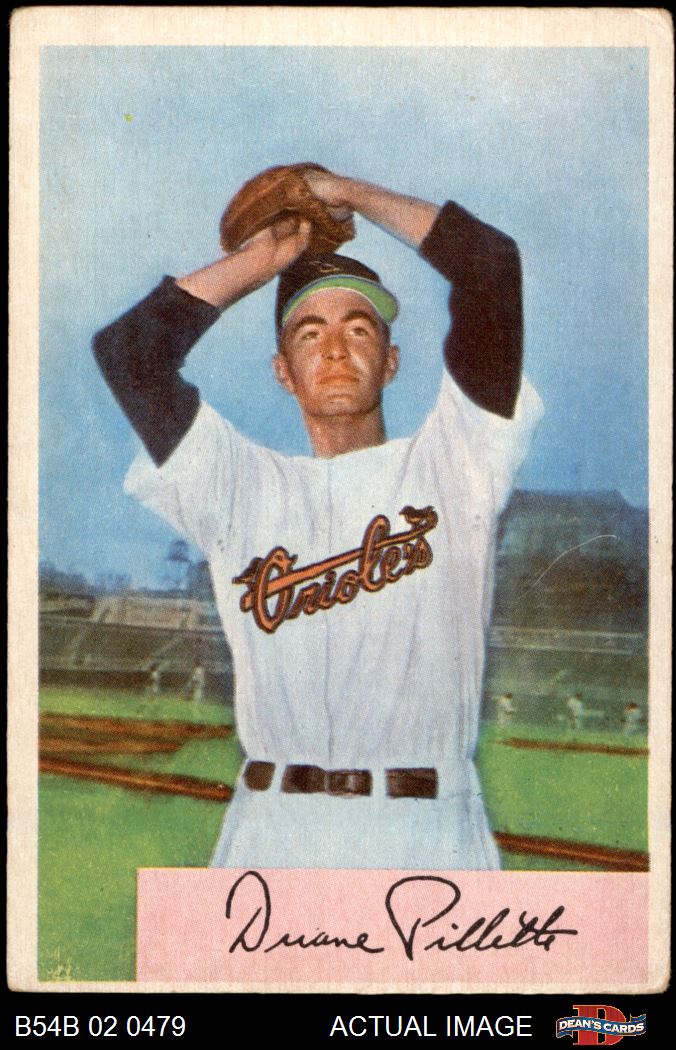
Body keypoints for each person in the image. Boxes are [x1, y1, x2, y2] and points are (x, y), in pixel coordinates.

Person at [92, 167, 543, 870]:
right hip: (273, 829)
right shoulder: (236, 485)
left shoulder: (455, 464)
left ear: (391, 361)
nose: (335, 348)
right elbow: (129, 354)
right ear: (283, 371)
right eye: (310, 333)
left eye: (358, 329)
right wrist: (263, 260)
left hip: (426, 833)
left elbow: (490, 267)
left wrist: (349, 194)